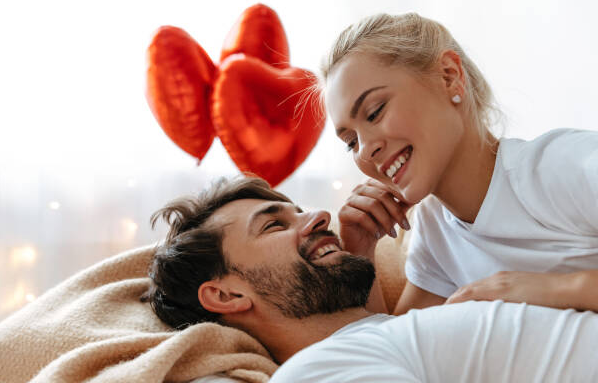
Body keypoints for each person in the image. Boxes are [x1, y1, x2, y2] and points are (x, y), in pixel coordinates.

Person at [143, 176, 598, 382]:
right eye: (274, 225)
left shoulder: (381, 336)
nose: (319, 215)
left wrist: (357, 256)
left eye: (298, 209)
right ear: (225, 294)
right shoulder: (318, 372)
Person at [318, 12, 598, 315]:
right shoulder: (434, 232)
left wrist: (536, 289)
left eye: (374, 112)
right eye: (351, 142)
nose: (365, 150)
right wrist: (361, 256)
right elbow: (396, 351)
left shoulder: (563, 165)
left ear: (449, 76)